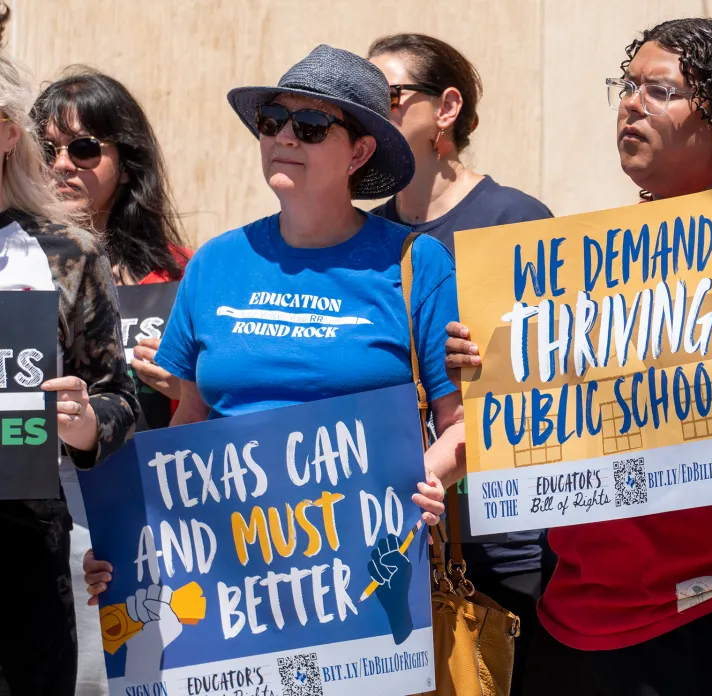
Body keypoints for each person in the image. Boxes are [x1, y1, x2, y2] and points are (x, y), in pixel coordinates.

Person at [446, 18, 712, 696]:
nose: (631, 103)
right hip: (578, 614)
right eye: (628, 85)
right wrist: (493, 365)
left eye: (661, 90)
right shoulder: (606, 256)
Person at [84, 44, 461, 607]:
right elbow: (189, 421)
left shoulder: (416, 265)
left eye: (310, 125)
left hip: (367, 572)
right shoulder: (214, 264)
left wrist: (424, 480)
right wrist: (131, 536)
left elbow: (465, 425)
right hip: (234, 582)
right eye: (272, 121)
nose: (284, 137)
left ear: (359, 152)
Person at [367, 33, 555, 695]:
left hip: (503, 545)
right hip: (397, 540)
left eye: (386, 96)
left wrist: (498, 363)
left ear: (446, 108)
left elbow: (556, 379)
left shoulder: (515, 220)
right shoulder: (368, 238)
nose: (367, 110)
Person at [31, 68, 191, 696]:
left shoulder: (179, 273)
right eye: (48, 149)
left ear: (127, 162)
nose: (64, 165)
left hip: (148, 519)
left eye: (85, 148)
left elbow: (214, 404)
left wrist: (178, 384)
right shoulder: (13, 259)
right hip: (43, 518)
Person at [0, 54, 138, 696]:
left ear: (6, 133)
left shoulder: (67, 252)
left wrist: (85, 423)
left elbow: (119, 400)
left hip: (25, 569)